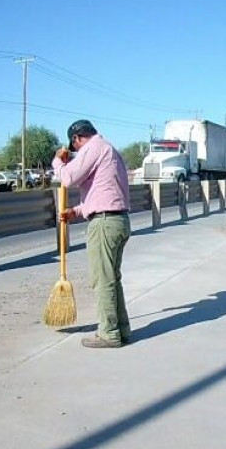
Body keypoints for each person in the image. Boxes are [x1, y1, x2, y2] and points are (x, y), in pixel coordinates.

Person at [52, 120, 132, 348]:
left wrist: (58, 161)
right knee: (112, 280)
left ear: (77, 139)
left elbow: (67, 178)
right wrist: (75, 212)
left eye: (74, 147)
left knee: (103, 280)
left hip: (105, 224)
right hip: (117, 220)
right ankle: (121, 330)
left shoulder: (94, 148)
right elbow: (102, 191)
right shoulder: (110, 150)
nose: (76, 151)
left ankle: (108, 333)